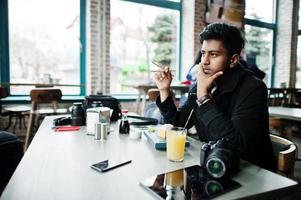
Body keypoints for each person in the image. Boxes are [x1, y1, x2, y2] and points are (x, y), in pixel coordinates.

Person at [154, 23, 276, 172]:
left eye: (213, 54)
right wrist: (165, 90)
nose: (204, 61)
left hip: (251, 171)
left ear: (233, 60)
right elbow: (178, 125)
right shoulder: (203, 82)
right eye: (203, 53)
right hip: (215, 164)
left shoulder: (254, 88)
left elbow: (237, 145)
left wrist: (204, 98)